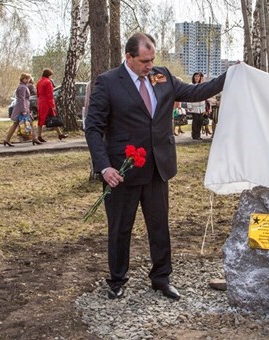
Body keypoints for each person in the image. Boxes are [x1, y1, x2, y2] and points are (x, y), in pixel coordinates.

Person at [85, 33, 226, 301]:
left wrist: (228, 77)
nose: (150, 65)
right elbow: (93, 128)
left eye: (152, 59)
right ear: (128, 57)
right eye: (144, 61)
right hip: (121, 173)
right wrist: (104, 167)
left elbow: (196, 92)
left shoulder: (161, 76)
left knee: (159, 226)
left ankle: (161, 278)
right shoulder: (108, 82)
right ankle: (117, 279)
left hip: (157, 169)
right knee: (119, 228)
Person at [4, 73, 42, 146]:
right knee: (16, 124)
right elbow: (22, 99)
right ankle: (7, 140)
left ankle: (35, 138)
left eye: (29, 79)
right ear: (23, 79)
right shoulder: (22, 87)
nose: (28, 80)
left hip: (23, 108)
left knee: (28, 122)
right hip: (21, 109)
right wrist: (24, 110)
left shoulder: (23, 86)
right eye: (27, 79)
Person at [36, 68, 68, 142]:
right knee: (53, 118)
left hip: (41, 102)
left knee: (41, 119)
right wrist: (52, 105)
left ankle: (40, 135)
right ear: (49, 75)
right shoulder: (48, 82)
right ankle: (58, 134)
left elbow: (37, 93)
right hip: (47, 103)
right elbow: (50, 95)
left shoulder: (39, 82)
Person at [189, 72, 209, 140]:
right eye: (195, 76)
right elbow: (189, 96)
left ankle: (198, 135)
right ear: (193, 77)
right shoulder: (191, 85)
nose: (197, 78)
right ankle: (194, 135)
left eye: (198, 76)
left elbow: (205, 96)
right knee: (195, 121)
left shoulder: (202, 85)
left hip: (201, 106)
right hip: (194, 106)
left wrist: (205, 107)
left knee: (200, 121)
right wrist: (189, 106)